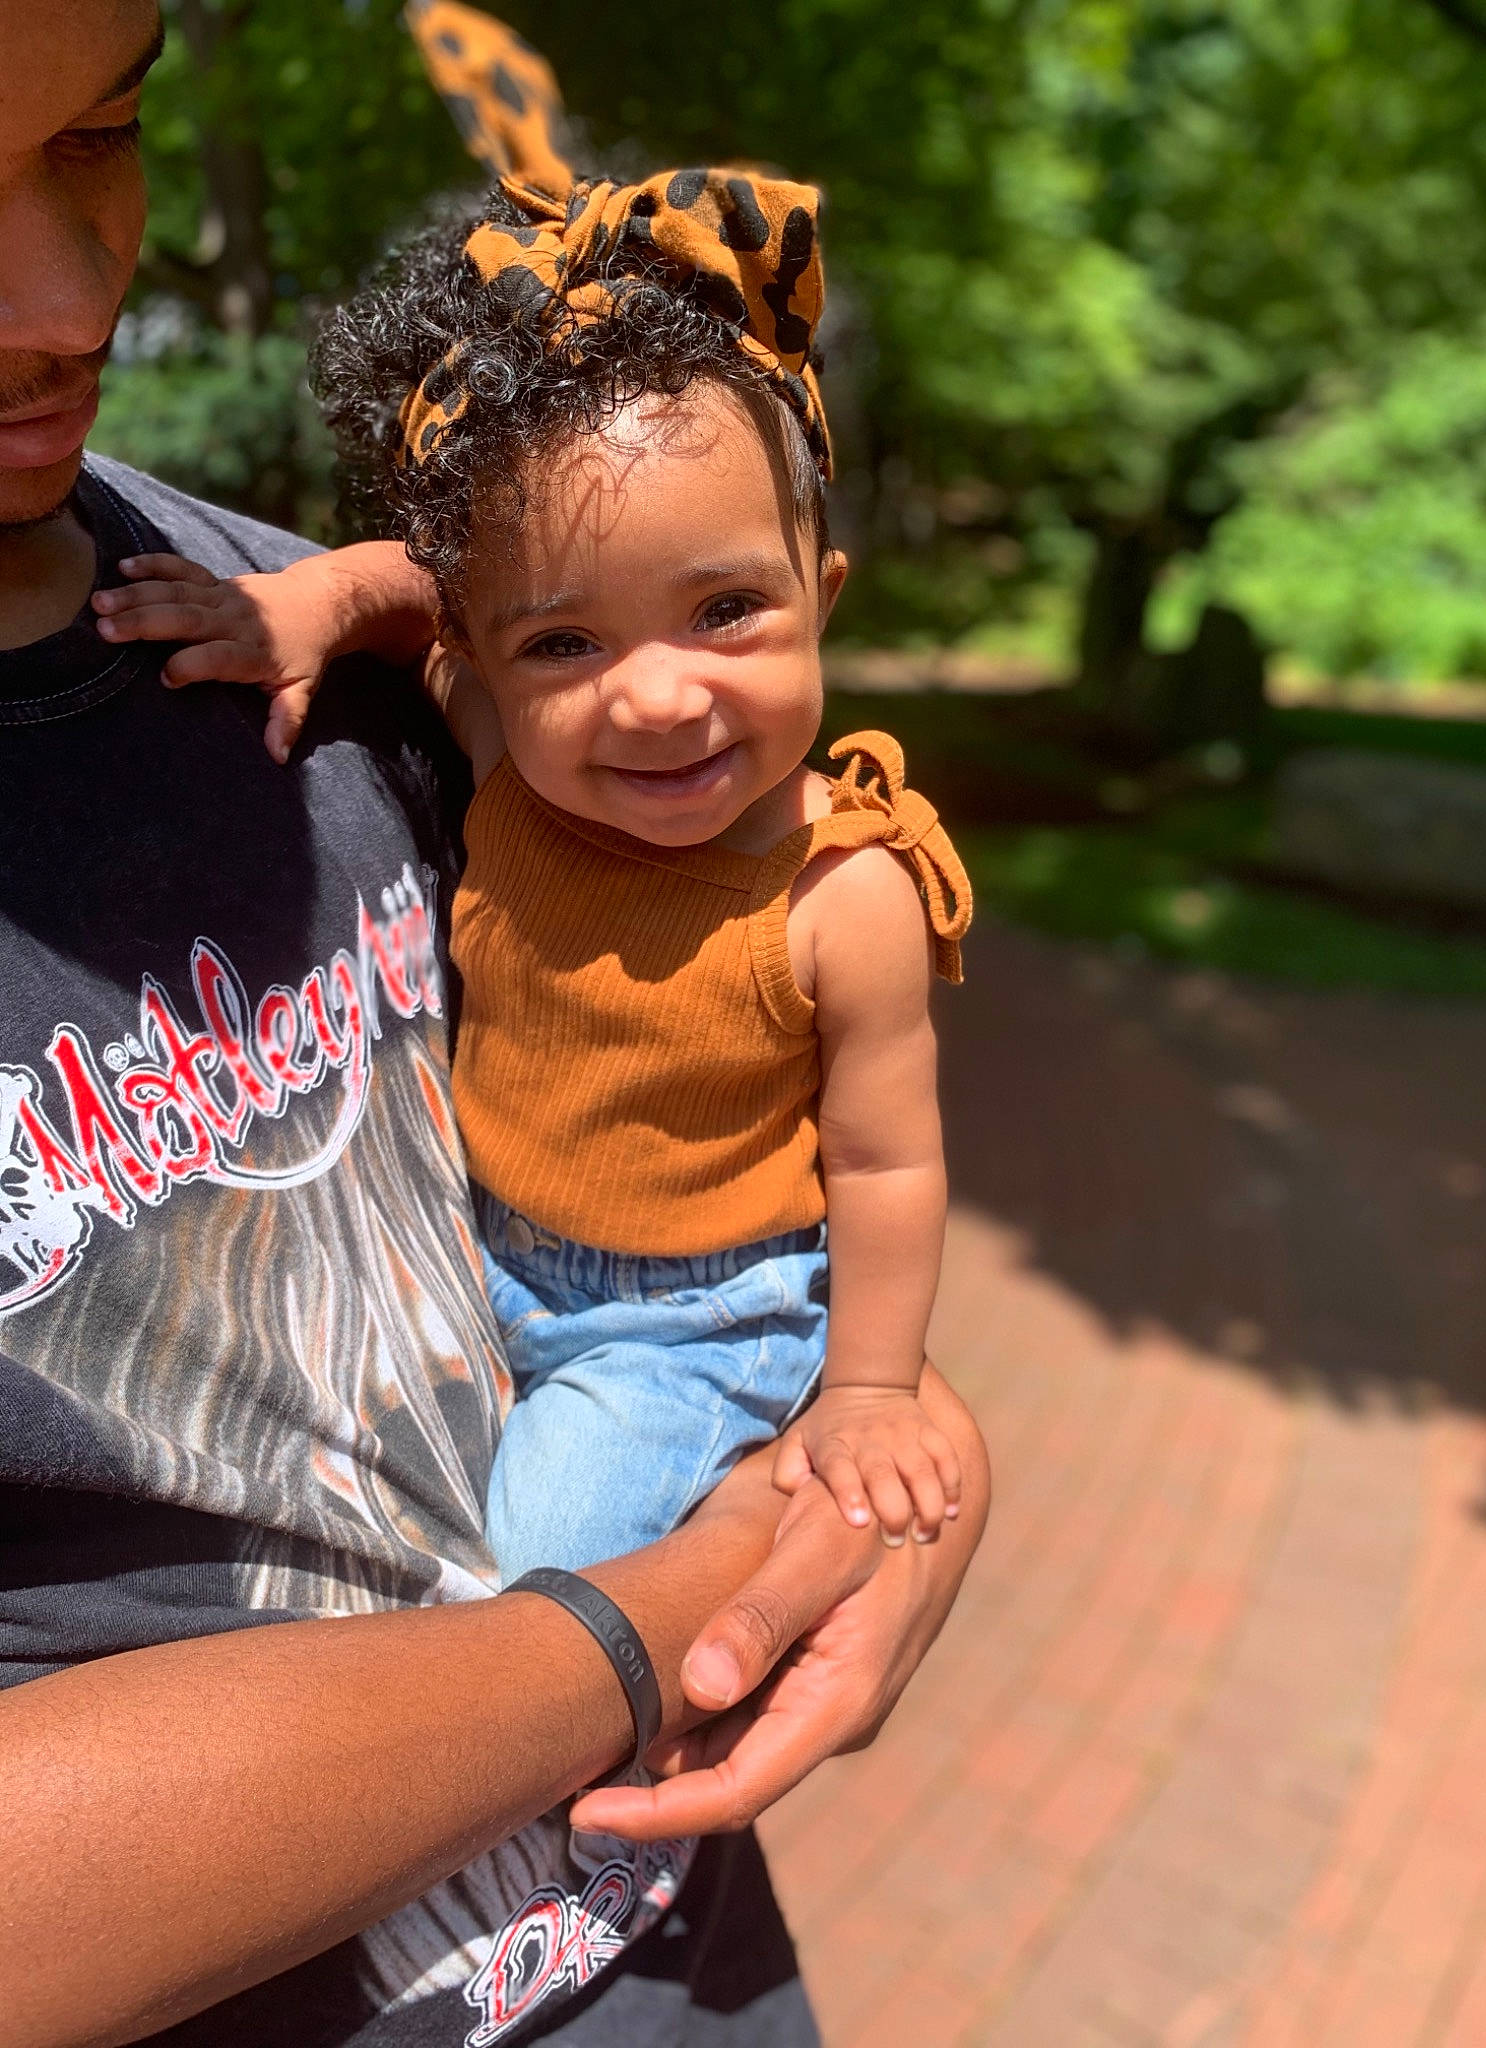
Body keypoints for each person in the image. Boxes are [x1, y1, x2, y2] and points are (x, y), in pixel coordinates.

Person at [0, 7, 990, 2047]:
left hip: (670, 1954)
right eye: (572, 646)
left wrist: (891, 1423)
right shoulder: (456, 654)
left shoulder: (291, 636)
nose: (63, 293)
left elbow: (835, 1143)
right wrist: (662, 1617)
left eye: (100, 136)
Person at [106, 5, 976, 1593]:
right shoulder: (519, 756)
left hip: (689, 1324)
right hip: (474, 1252)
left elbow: (887, 1163)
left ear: (824, 595)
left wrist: (869, 1389)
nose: (652, 696)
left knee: (515, 1578)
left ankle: (575, 1832)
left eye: (725, 612)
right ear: (492, 662)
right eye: (567, 640)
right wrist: (306, 608)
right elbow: (414, 600)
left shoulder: (840, 897)